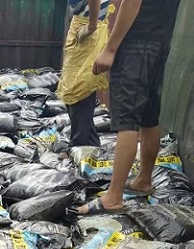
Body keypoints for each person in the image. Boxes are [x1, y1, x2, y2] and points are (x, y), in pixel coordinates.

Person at [78, 0, 181, 214]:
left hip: (135, 44)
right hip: (160, 43)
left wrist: (110, 48)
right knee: (149, 117)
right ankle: (143, 180)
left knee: (127, 120)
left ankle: (113, 197)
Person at [57, 0, 111, 151]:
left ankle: (79, 144)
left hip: (88, 28)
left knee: (80, 89)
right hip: (81, 23)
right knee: (73, 90)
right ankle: (90, 141)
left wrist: (91, 26)